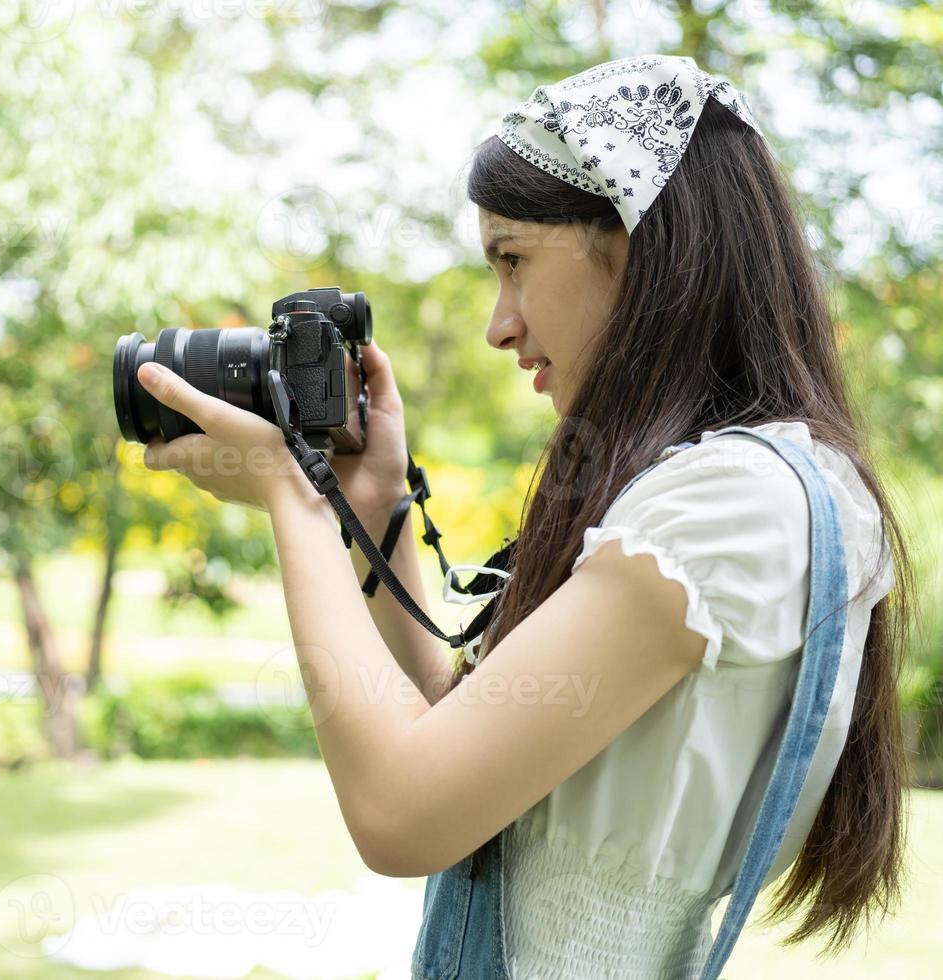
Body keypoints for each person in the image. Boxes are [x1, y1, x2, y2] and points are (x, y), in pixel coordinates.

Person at [134, 53, 915, 977]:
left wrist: (289, 498)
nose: (497, 325)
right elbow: (455, 747)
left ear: (639, 243)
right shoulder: (733, 486)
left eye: (512, 260)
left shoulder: (731, 508)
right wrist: (371, 504)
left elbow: (400, 815)